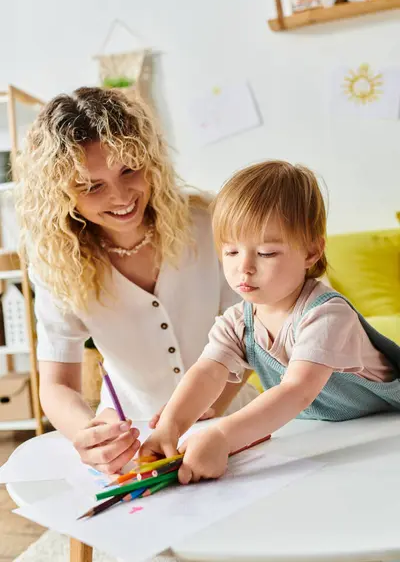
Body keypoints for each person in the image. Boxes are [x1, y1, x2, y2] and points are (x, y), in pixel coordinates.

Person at [14, 87, 258, 475]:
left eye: (129, 169)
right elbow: (57, 385)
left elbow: (250, 335)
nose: (121, 195)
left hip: (234, 421)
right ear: (62, 195)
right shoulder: (55, 264)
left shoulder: (208, 224)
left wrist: (210, 410)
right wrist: (87, 434)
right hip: (134, 444)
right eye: (92, 186)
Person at [140, 160, 400, 484]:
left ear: (311, 252)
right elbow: (208, 371)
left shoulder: (327, 315)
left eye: (266, 253)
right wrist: (171, 425)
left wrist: (223, 435)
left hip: (386, 428)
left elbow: (296, 391)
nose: (244, 267)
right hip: (327, 433)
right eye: (231, 252)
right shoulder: (238, 320)